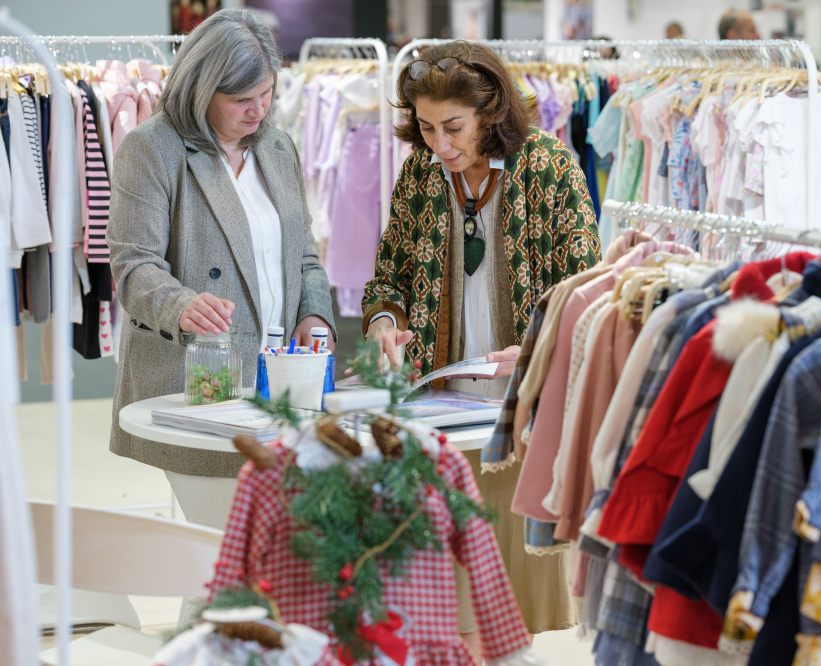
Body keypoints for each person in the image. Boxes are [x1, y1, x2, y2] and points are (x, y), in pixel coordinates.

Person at [362, 40, 601, 652]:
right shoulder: (420, 172)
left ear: (490, 113)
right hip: (436, 402)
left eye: (453, 128)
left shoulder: (549, 167)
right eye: (425, 127)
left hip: (518, 408)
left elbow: (587, 294)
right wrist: (384, 324)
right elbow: (387, 276)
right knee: (441, 580)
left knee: (513, 584)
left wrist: (540, 349)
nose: (440, 144)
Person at [108, 9, 335, 528]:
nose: (259, 111)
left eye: (267, 94)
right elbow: (132, 264)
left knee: (266, 545)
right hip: (199, 382)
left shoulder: (277, 148)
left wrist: (315, 314)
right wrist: (181, 304)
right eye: (241, 100)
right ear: (201, 88)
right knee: (224, 545)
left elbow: (303, 255)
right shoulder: (153, 147)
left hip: (281, 378)